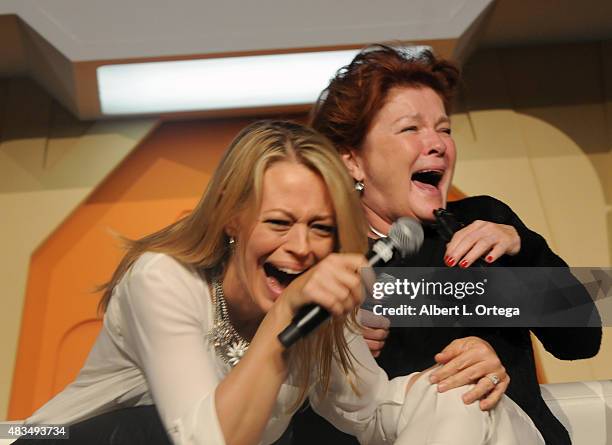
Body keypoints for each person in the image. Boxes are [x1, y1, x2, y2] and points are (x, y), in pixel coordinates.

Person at [6, 121, 543, 445]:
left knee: (464, 403)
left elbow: (373, 410)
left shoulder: (320, 312)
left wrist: (465, 371)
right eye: (280, 223)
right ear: (231, 218)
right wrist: (284, 322)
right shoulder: (163, 280)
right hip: (54, 440)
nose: (302, 247)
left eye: (322, 228)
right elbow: (203, 439)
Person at [290, 44, 602, 445]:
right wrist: (338, 353)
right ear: (352, 159)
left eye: (444, 128)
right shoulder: (320, 257)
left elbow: (581, 340)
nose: (436, 143)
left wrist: (524, 252)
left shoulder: (487, 223)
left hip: (513, 432)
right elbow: (290, 410)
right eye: (411, 128)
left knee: (458, 395)